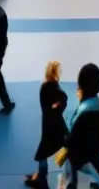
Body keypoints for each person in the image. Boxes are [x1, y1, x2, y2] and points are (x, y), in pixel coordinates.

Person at [60, 63, 99, 189]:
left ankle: (73, 185)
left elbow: (72, 139)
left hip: (80, 151)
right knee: (96, 160)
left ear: (81, 85)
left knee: (71, 167)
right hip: (96, 144)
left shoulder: (82, 114)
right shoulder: (98, 102)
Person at [26, 61, 68, 189]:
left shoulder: (47, 86)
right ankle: (41, 177)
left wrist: (58, 104)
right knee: (49, 150)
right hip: (54, 123)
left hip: (50, 123)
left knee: (43, 153)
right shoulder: (52, 87)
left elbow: (61, 100)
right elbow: (63, 99)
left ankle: (41, 178)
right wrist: (59, 104)